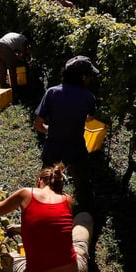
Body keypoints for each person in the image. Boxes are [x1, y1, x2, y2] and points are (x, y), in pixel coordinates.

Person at [0, 163, 93, 272]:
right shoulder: (67, 200)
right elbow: (52, 230)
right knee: (83, 218)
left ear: (39, 181)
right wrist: (19, 228)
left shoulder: (25, 194)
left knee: (1, 255)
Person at [34, 56, 99, 201]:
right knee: (82, 183)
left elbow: (38, 124)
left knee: (46, 183)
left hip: (53, 145)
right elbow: (89, 118)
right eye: (89, 76)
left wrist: (48, 129)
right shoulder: (89, 97)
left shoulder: (51, 93)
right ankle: (84, 208)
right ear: (83, 77)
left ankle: (45, 206)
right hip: (76, 146)